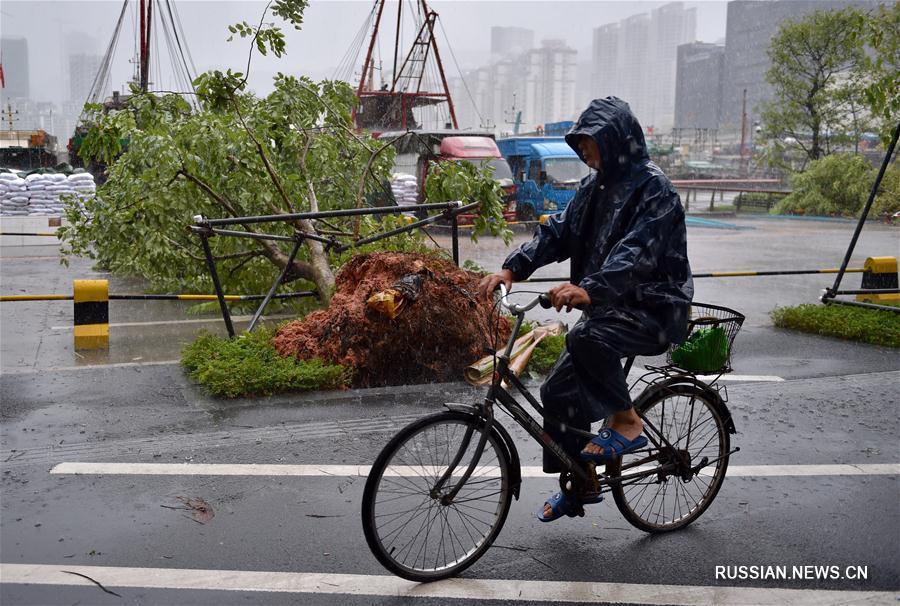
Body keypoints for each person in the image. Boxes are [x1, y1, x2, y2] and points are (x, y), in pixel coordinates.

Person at [477, 97, 693, 522]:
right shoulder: (592, 190)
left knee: (585, 335)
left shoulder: (655, 190)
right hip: (611, 308)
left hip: (656, 307)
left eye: (591, 144)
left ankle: (628, 421)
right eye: (581, 145)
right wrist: (511, 270)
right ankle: (583, 480)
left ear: (616, 141)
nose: (585, 153)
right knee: (555, 392)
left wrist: (589, 289)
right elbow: (557, 232)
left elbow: (638, 253)